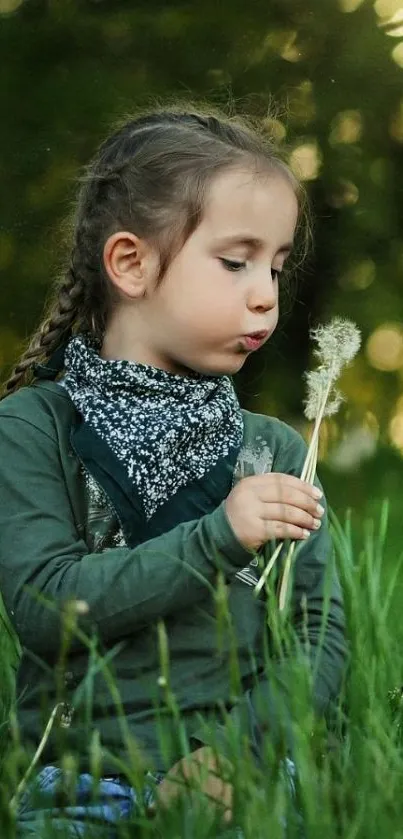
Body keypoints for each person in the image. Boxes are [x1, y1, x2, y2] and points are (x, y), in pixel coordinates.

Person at [0, 106, 346, 837]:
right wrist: (218, 535)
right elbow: (46, 608)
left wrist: (234, 756)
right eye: (235, 261)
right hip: (78, 781)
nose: (265, 294)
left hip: (241, 776)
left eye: (276, 267)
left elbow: (319, 633)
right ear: (130, 263)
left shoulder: (277, 452)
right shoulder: (35, 429)